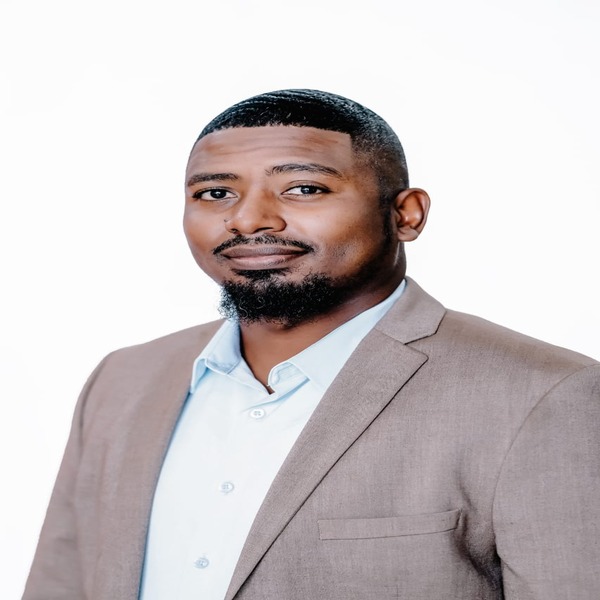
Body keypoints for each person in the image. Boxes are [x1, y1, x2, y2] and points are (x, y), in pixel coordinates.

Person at [23, 89, 600, 600]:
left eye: (304, 188)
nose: (249, 219)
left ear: (405, 215)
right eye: (215, 193)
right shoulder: (123, 380)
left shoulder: (545, 397)